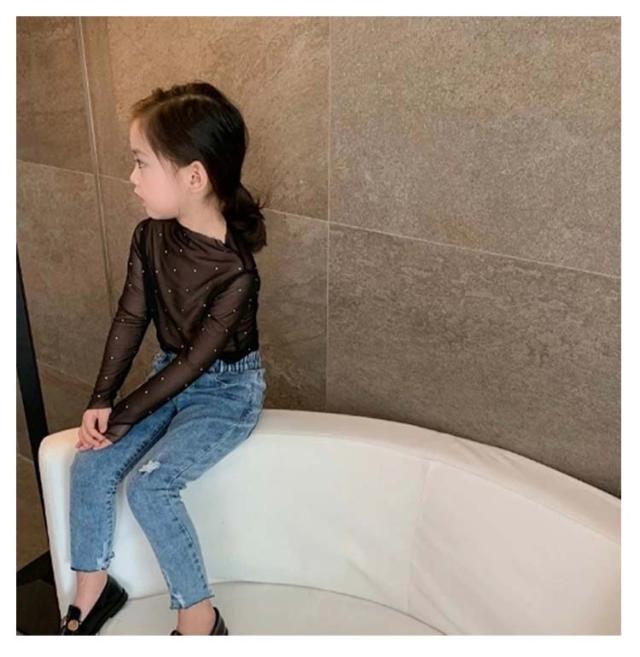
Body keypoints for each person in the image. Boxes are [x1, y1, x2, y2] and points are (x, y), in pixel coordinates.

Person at [59, 81, 269, 636]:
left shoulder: (237, 273)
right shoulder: (150, 236)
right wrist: (101, 400)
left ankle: (199, 617)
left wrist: (124, 414)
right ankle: (93, 590)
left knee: (151, 487)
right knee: (91, 462)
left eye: (141, 163)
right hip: (166, 375)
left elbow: (194, 365)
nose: (132, 178)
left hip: (225, 393)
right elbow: (131, 318)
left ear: (194, 177)